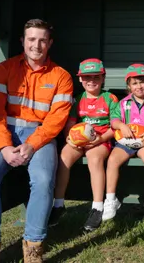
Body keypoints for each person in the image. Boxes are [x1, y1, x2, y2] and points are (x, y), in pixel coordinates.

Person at [0, 19, 74, 263]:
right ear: (23, 41)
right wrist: (5, 147)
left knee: (42, 181)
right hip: (4, 132)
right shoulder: (4, 69)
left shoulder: (61, 76)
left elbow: (56, 119)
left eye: (42, 40)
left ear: (50, 43)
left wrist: (32, 144)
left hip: (40, 134)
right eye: (31, 39)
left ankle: (33, 247)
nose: (36, 45)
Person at [48, 58, 119, 231]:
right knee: (63, 157)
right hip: (79, 140)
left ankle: (97, 207)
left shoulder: (109, 98)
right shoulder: (78, 99)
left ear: (103, 78)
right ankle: (58, 205)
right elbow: (70, 124)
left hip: (101, 140)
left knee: (94, 158)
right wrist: (71, 138)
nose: (91, 81)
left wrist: (101, 139)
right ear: (80, 79)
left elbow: (114, 127)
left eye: (96, 77)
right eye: (87, 77)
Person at [103, 63, 144, 223]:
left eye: (142, 82)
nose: (139, 86)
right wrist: (121, 126)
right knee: (112, 160)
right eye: (135, 83)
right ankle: (110, 199)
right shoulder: (124, 103)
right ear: (129, 86)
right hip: (126, 142)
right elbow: (114, 119)